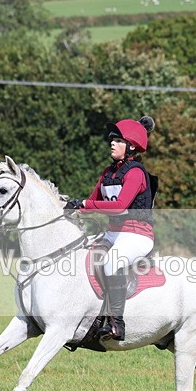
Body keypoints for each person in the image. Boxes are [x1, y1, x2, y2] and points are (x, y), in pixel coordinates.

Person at [65, 116, 158, 341]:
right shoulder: (108, 173)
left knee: (111, 263)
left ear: (131, 146)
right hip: (113, 233)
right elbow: (92, 202)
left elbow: (120, 206)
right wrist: (70, 207)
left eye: (118, 141)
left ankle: (117, 323)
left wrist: (86, 204)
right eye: (112, 140)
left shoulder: (136, 173)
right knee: (79, 255)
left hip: (137, 234)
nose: (112, 144)